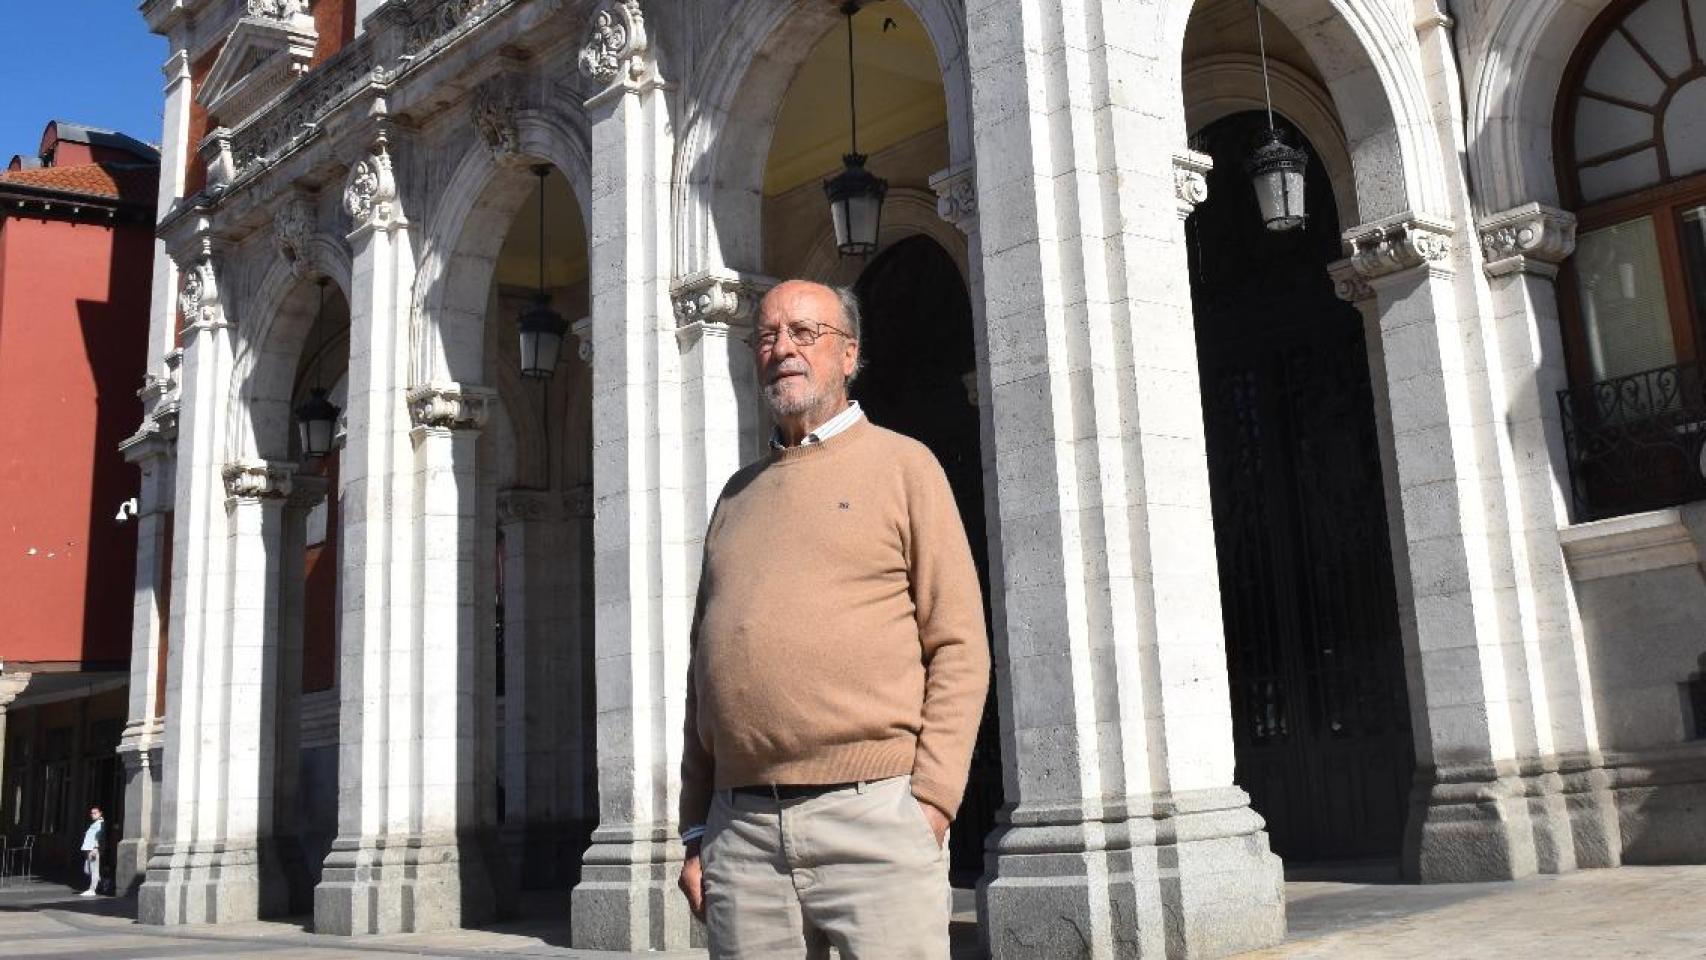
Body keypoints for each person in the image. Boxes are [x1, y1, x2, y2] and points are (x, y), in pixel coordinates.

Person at [676, 279, 990, 959]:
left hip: (873, 821)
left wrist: (929, 804)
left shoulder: (908, 468)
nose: (782, 348)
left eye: (804, 333)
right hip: (743, 834)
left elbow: (960, 644)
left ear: (849, 356)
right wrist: (695, 831)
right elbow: (704, 673)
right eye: (767, 335)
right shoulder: (735, 498)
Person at [79, 806, 103, 897]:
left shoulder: (100, 823)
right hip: (88, 849)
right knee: (87, 869)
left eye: (95, 813)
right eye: (92, 813)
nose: (93, 815)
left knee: (94, 870)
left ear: (100, 813)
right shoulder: (94, 824)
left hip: (93, 849)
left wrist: (95, 848)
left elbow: (99, 836)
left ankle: (92, 889)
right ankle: (101, 882)